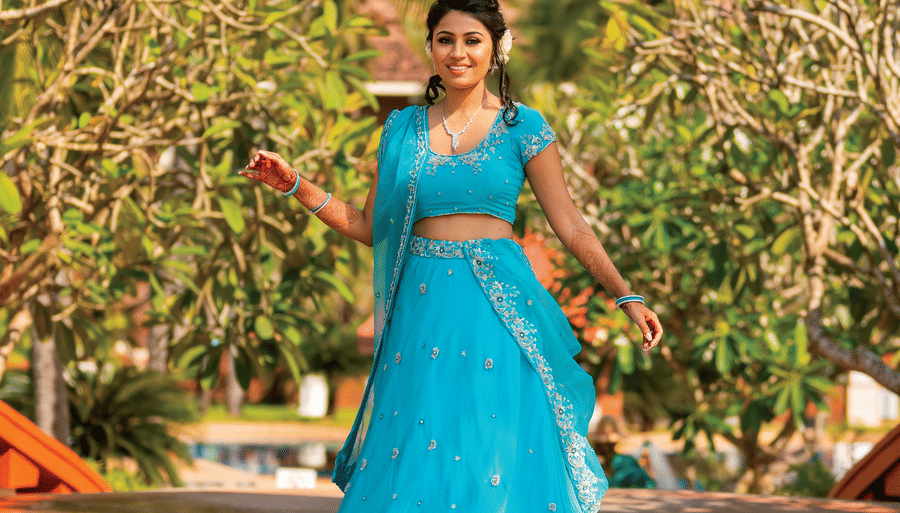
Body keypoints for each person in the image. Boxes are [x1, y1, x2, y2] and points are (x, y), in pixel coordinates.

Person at [241, 0, 663, 510]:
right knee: (422, 446)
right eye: (446, 39)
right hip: (423, 313)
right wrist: (296, 186)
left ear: (496, 49)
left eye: (472, 40)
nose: (458, 52)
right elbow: (371, 226)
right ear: (431, 47)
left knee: (493, 451)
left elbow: (570, 225)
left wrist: (625, 294)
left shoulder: (522, 127)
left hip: (499, 306)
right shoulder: (402, 129)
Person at [590, 416, 656, 490]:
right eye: (601, 444)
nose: (604, 447)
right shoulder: (593, 461)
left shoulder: (623, 461)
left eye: (607, 445)